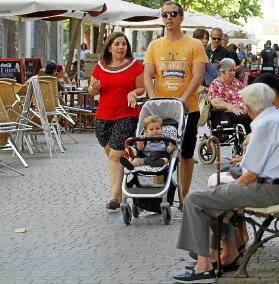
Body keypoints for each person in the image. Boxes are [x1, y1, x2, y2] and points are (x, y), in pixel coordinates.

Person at [174, 83, 279, 283]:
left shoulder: (266, 124)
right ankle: (221, 254)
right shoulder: (277, 119)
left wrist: (226, 190)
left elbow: (250, 175)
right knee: (217, 195)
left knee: (194, 200)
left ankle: (204, 264)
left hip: (269, 189)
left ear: (251, 105)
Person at [144, 1, 208, 199]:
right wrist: (153, 99)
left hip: (188, 108)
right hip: (161, 109)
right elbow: (147, 74)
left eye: (173, 14)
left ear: (181, 18)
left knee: (186, 153)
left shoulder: (194, 45)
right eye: (165, 14)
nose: (169, 17)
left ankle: (184, 194)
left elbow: (198, 75)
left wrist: (183, 97)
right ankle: (159, 195)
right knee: (157, 149)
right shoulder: (154, 45)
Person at [88, 32, 145, 210]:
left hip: (126, 115)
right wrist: (93, 88)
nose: (121, 47)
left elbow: (141, 88)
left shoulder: (135, 65)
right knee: (113, 156)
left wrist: (133, 93)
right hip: (103, 118)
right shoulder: (100, 67)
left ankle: (113, 197)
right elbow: (92, 91)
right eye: (117, 44)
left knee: (115, 155)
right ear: (110, 47)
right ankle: (120, 191)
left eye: (124, 44)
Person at [207, 58, 251, 133]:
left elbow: (247, 93)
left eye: (234, 70)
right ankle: (248, 142)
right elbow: (216, 102)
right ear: (221, 72)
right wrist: (232, 107)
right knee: (245, 119)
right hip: (227, 114)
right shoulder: (216, 84)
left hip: (244, 110)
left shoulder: (236, 82)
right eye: (230, 71)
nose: (233, 73)